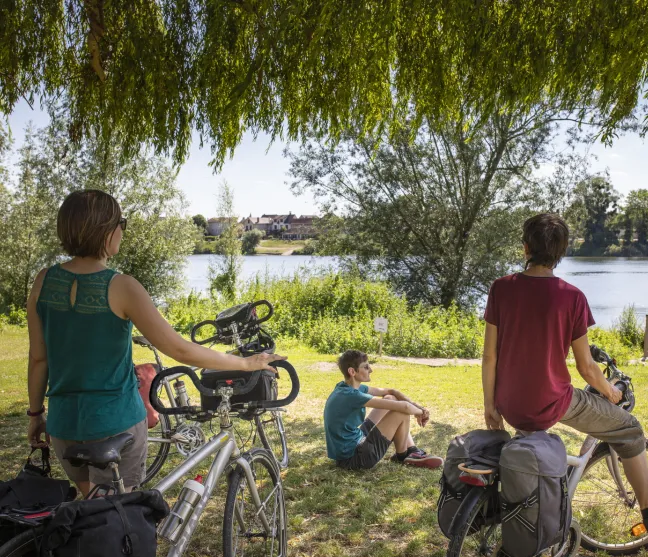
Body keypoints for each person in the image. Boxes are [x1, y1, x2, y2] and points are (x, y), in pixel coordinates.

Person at [27, 189, 285, 496]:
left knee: (93, 515)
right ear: (105, 230)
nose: (122, 230)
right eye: (120, 222)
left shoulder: (44, 281)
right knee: (117, 523)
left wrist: (34, 414)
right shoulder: (120, 286)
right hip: (115, 423)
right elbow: (178, 348)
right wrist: (245, 362)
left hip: (64, 424)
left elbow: (39, 359)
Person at [482, 213, 648, 535]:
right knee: (629, 429)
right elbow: (586, 367)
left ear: (525, 248)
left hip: (509, 403)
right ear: (560, 254)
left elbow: (490, 356)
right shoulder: (572, 297)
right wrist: (610, 393)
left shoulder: (501, 289)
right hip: (552, 402)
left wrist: (490, 405)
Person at [324, 350, 443, 470]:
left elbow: (391, 392)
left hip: (357, 440)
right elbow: (405, 407)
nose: (370, 370)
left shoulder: (346, 387)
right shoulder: (351, 396)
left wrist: (418, 407)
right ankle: (402, 455)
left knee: (391, 398)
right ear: (352, 371)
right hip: (354, 458)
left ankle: (412, 451)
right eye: (366, 367)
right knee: (401, 412)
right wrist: (421, 413)